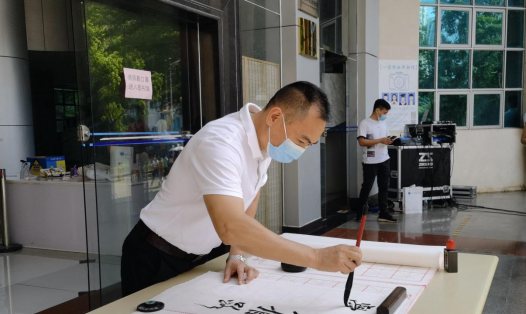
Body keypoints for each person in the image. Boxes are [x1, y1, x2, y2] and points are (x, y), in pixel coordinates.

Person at [121, 82, 363, 297]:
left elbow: (251, 196)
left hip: (201, 258)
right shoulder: (221, 143)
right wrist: (317, 258)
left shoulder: (265, 142)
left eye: (308, 144)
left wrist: (236, 254)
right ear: (275, 117)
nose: (301, 150)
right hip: (156, 255)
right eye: (301, 141)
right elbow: (231, 226)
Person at [356, 99, 398, 223]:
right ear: (377, 110)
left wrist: (388, 141)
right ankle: (360, 213)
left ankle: (383, 213)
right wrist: (380, 140)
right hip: (370, 161)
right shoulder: (365, 123)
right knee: (367, 187)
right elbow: (362, 142)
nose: (385, 115)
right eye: (384, 112)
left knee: (384, 187)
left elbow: (385, 138)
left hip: (384, 159)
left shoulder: (383, 123)